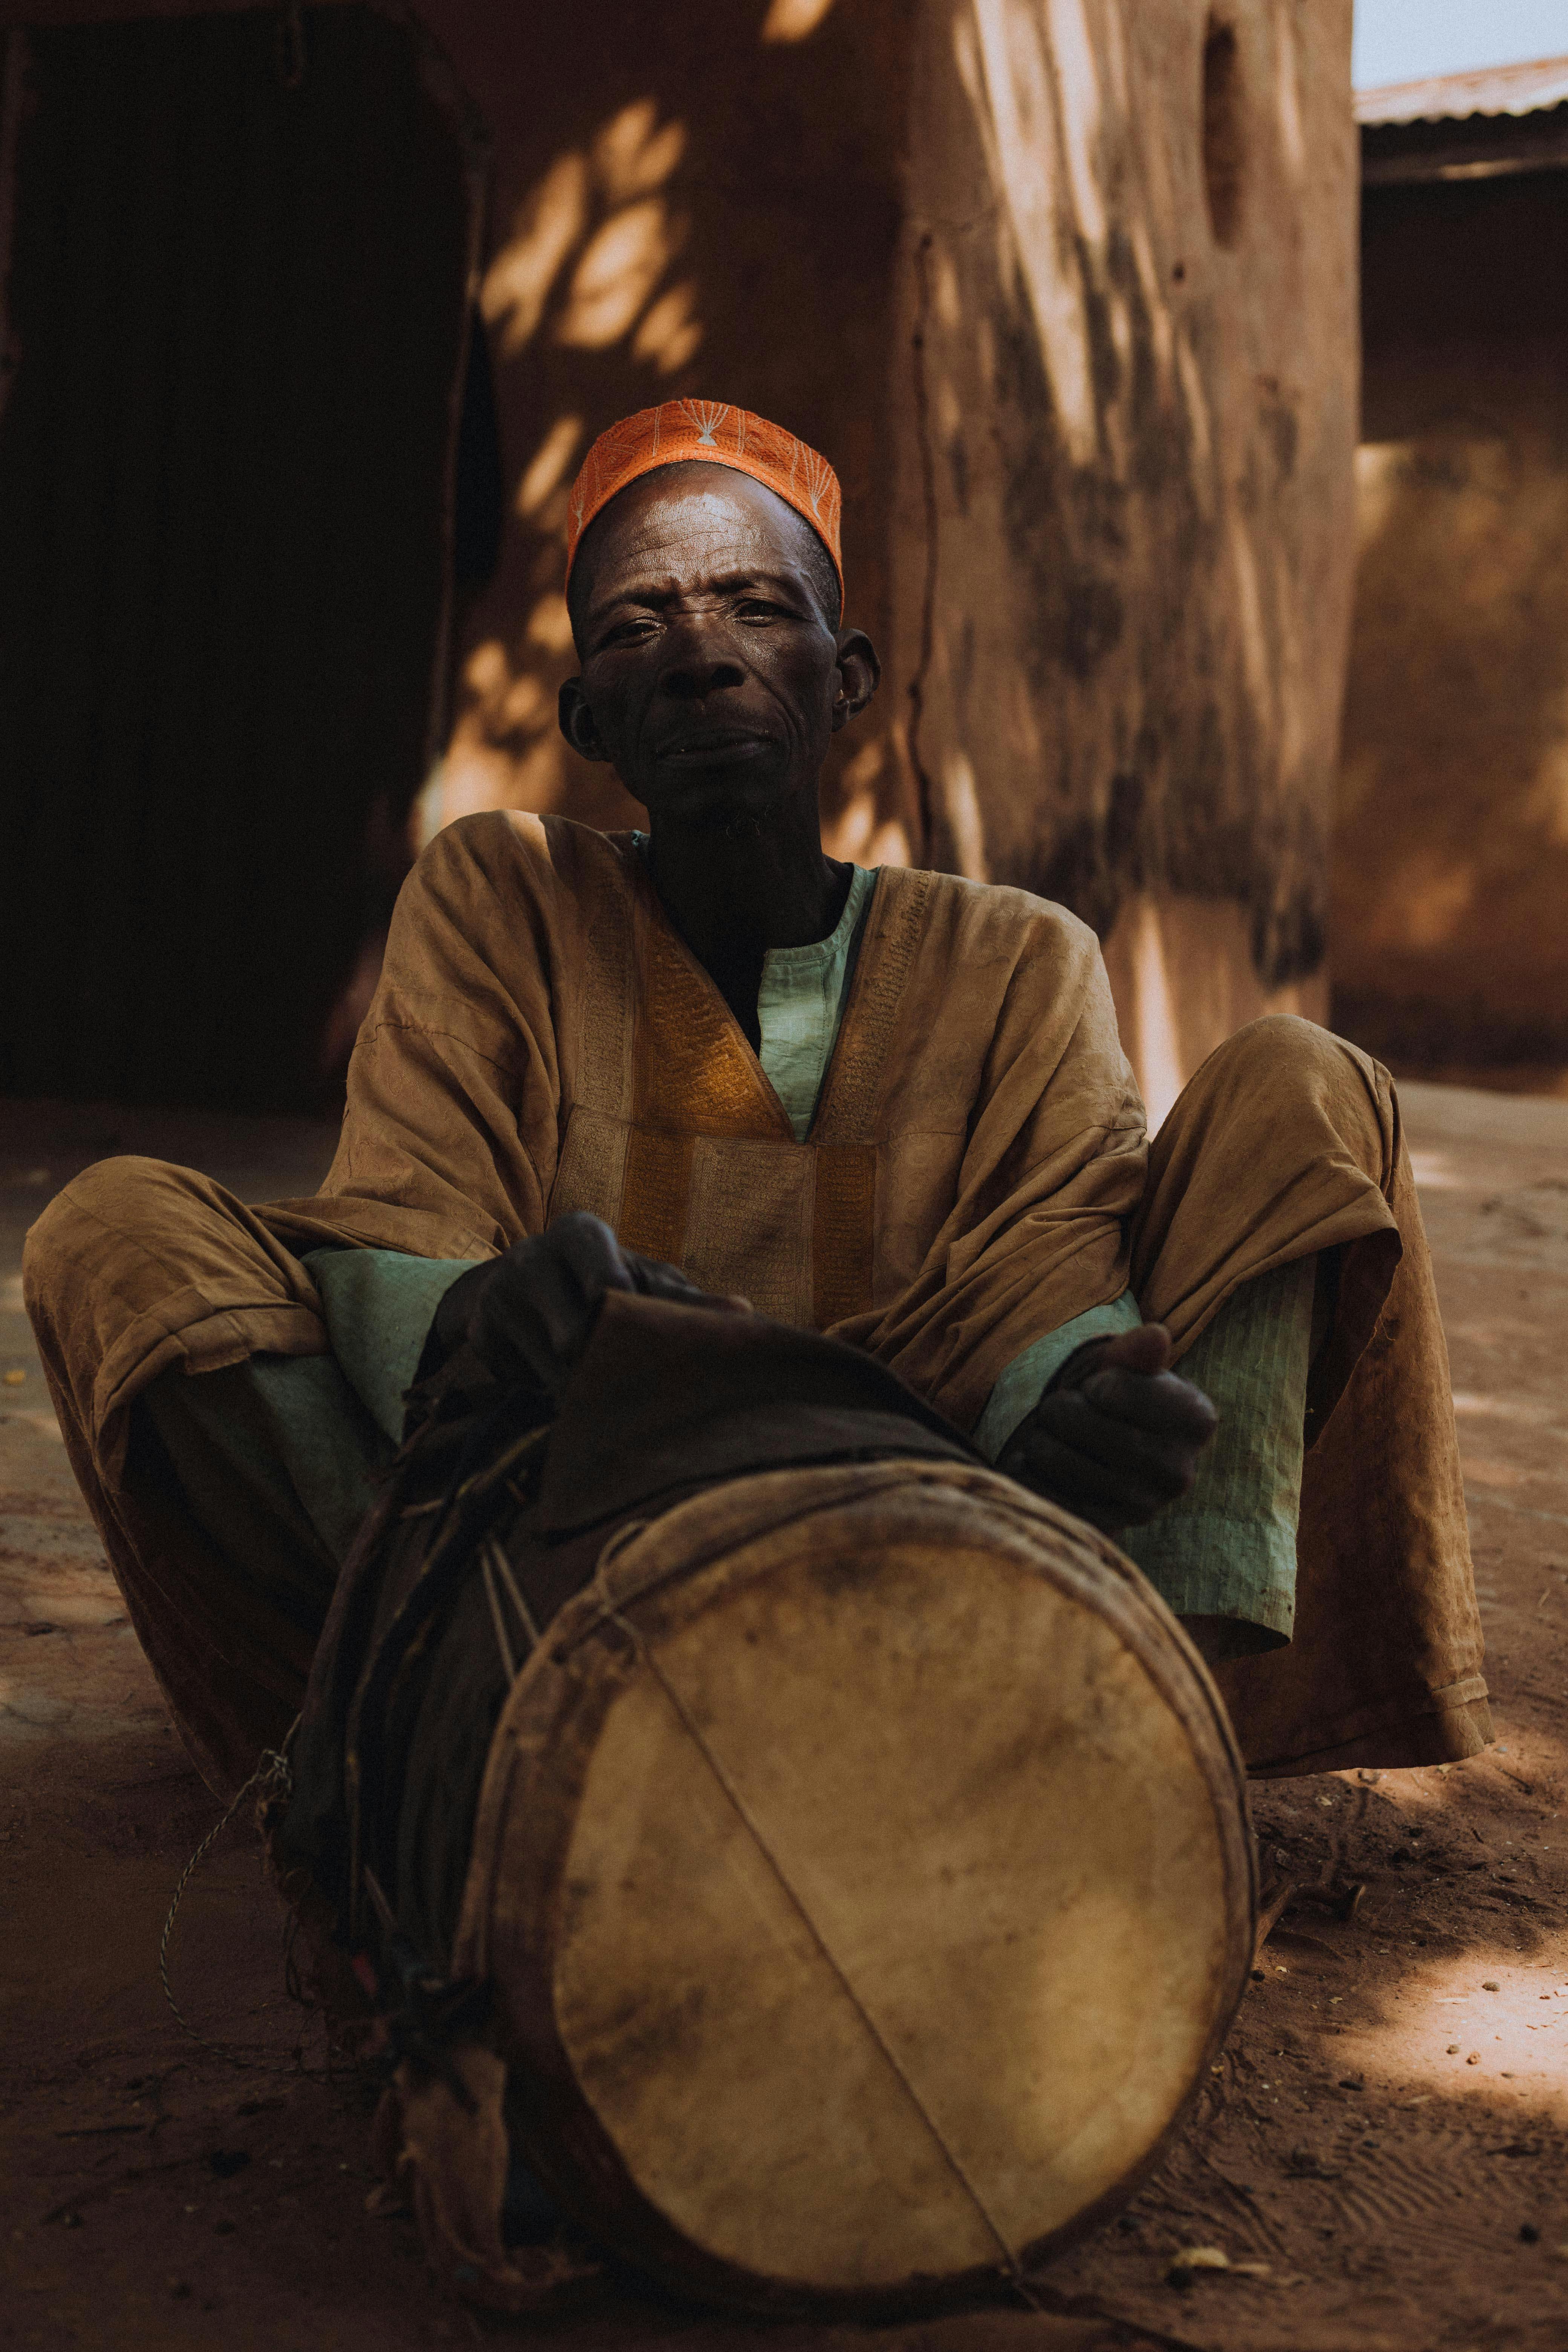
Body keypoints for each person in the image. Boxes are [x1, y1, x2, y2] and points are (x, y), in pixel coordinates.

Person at [24, 400, 1488, 1799]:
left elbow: (1050, 1284)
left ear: (844, 678)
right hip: (564, 1539)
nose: (697, 656)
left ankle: (1120, 1744)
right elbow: (406, 1222)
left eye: (756, 609)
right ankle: (474, 1745)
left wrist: (1076, 1405)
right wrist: (483, 1314)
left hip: (928, 1524)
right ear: (586, 715)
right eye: (633, 628)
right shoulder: (501, 891)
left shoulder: (1013, 956)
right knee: (115, 1237)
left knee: (1308, 1088)